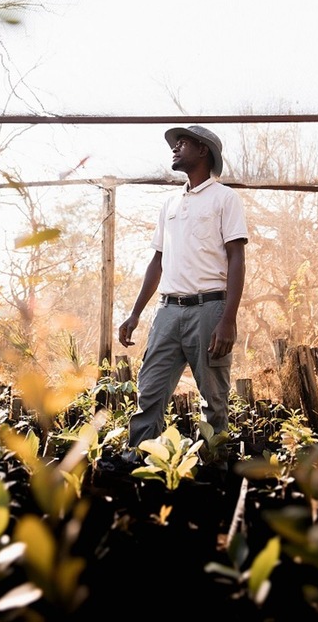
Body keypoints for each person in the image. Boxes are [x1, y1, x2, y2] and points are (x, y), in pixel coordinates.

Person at [118, 124, 248, 463]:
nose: (175, 148)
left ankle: (213, 466)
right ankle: (141, 461)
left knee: (214, 398)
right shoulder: (170, 203)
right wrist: (135, 313)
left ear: (203, 151)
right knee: (150, 390)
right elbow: (157, 260)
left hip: (210, 310)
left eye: (183, 143)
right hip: (167, 311)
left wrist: (228, 319)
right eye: (175, 144)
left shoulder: (225, 198)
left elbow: (237, 257)